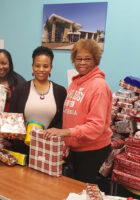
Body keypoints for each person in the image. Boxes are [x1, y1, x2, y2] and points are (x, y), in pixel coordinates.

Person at [43, 39, 112, 184]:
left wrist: (66, 132)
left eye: (87, 59)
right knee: (71, 188)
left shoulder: (99, 86)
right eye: (78, 59)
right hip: (75, 148)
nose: (82, 63)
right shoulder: (75, 83)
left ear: (95, 61)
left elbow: (96, 127)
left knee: (82, 191)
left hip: (92, 150)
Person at [8, 46, 67, 155]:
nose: (41, 70)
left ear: (51, 67)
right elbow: (12, 116)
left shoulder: (60, 91)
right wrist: (12, 131)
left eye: (45, 66)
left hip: (48, 149)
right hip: (22, 147)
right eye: (37, 66)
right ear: (32, 66)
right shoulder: (20, 89)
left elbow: (61, 121)